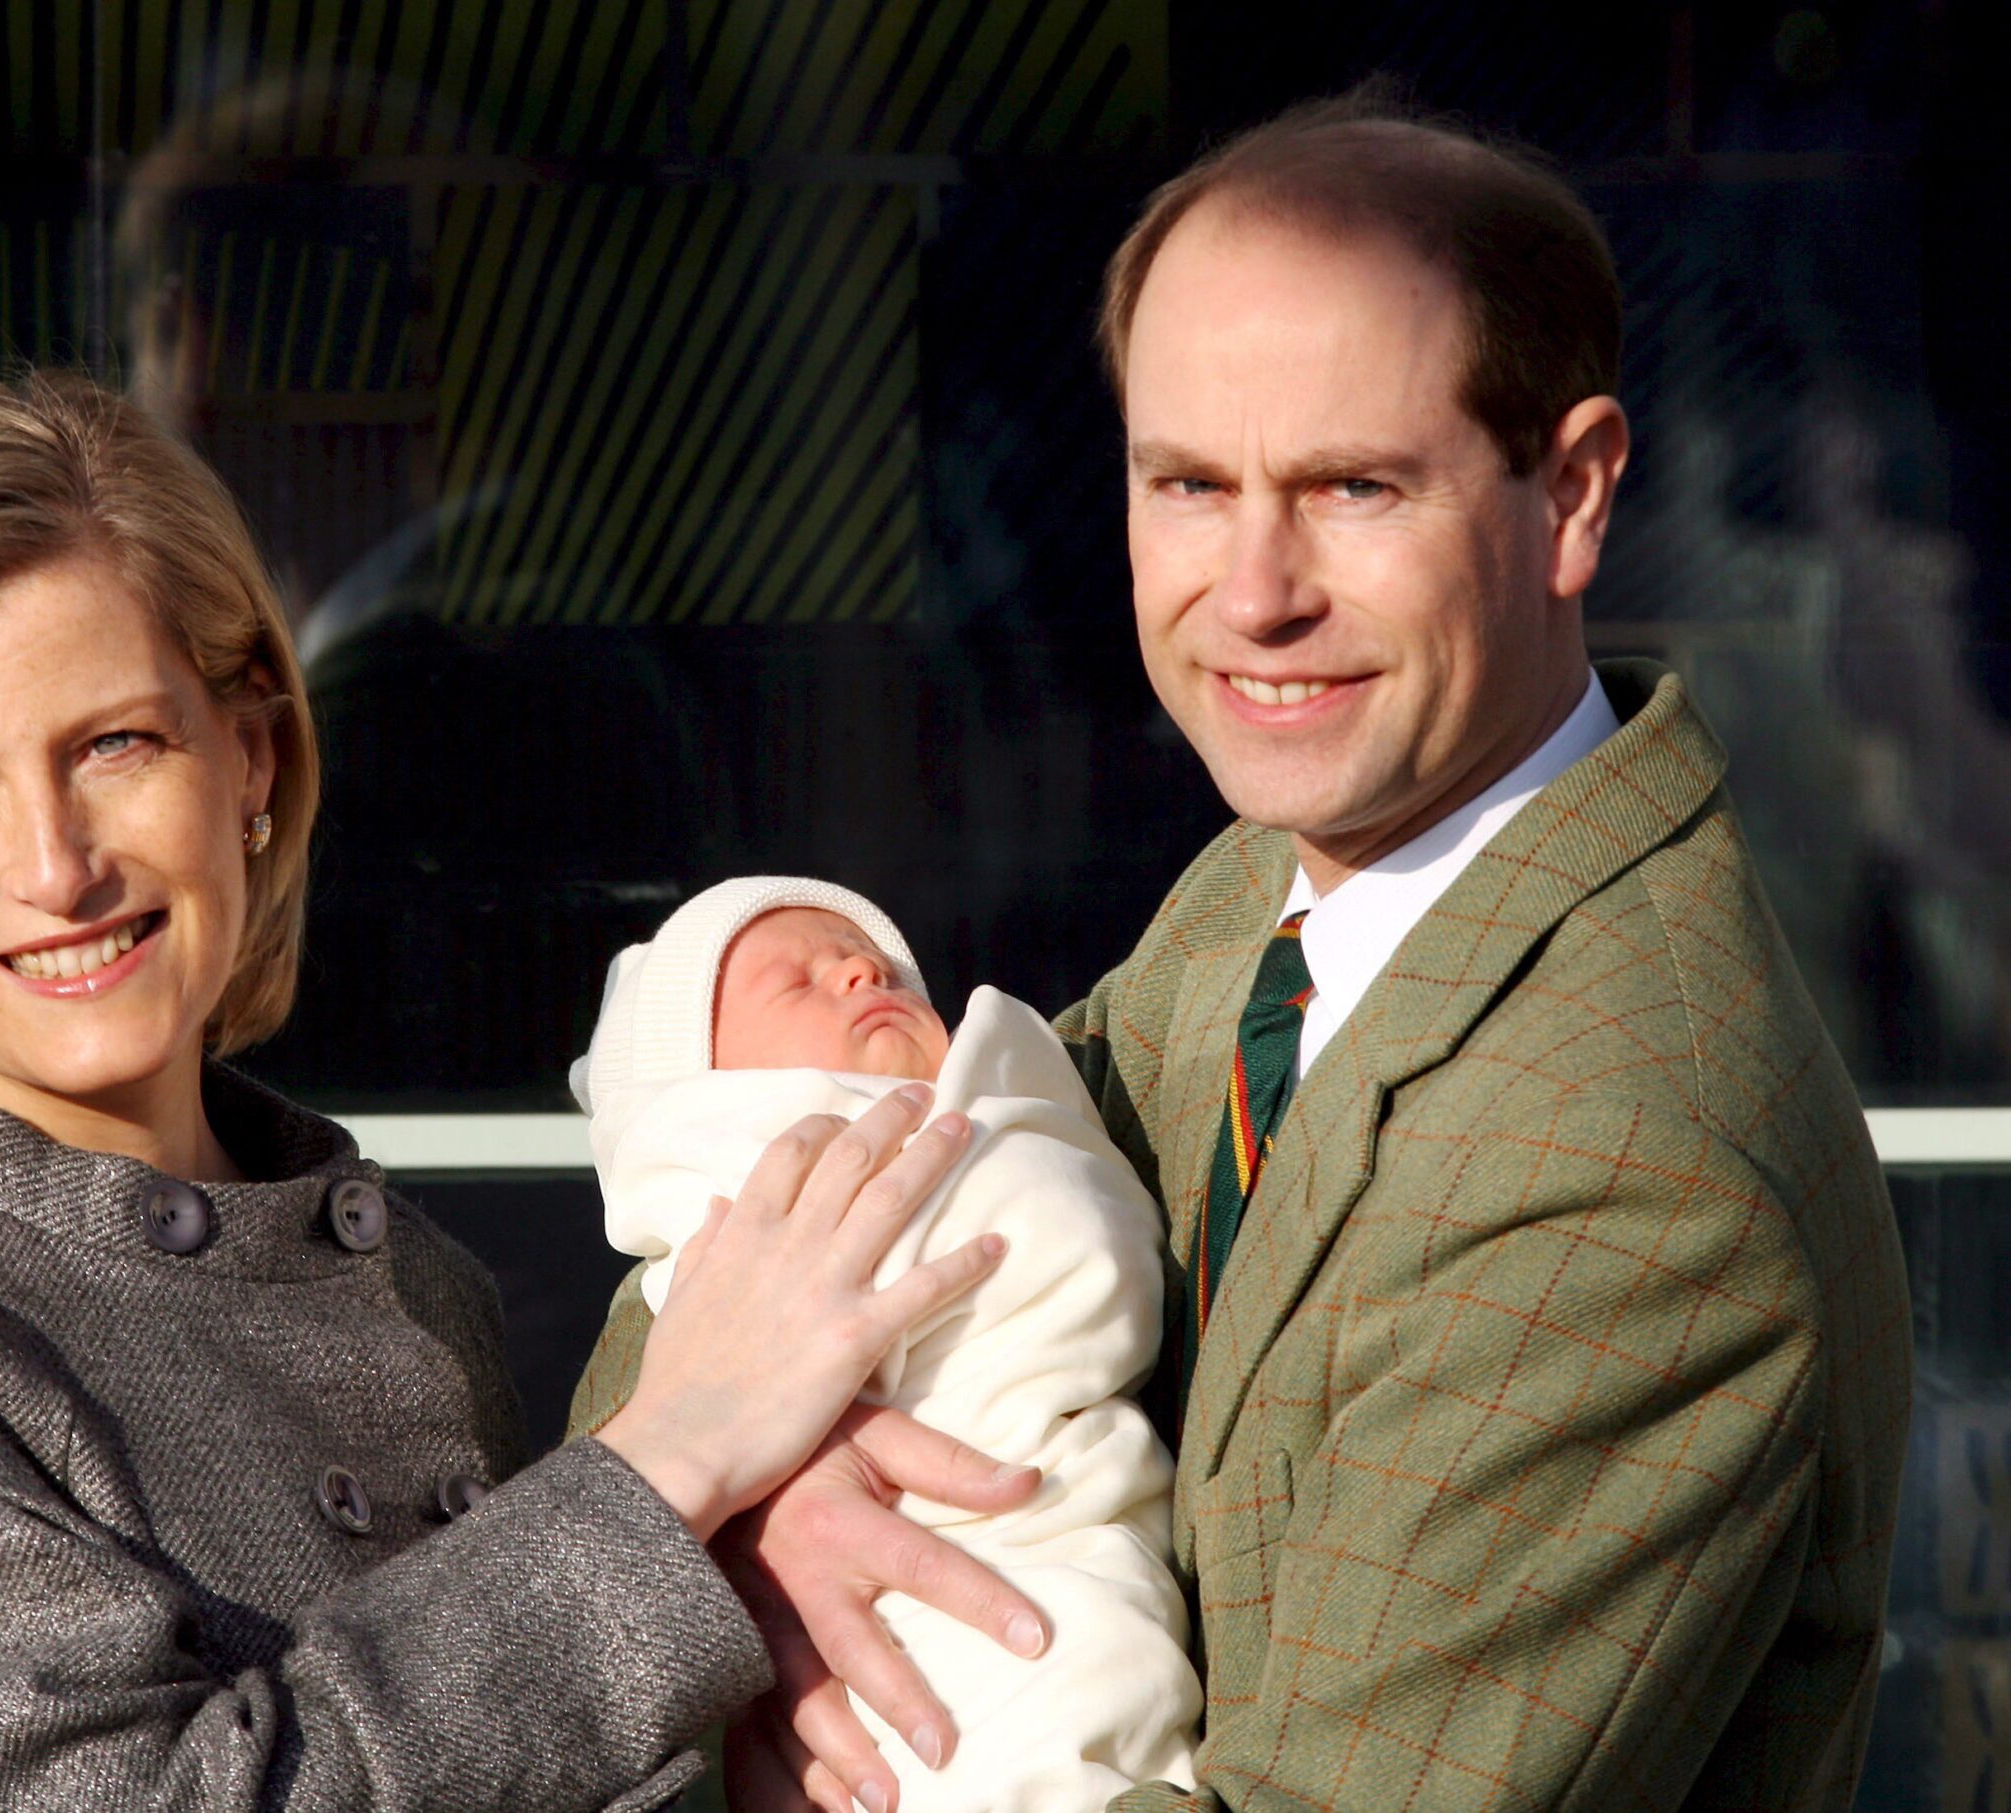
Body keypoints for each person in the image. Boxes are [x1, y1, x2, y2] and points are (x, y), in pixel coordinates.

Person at [570, 92, 1914, 1813]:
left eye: (1356, 487)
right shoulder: (1270, 894)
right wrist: (770, 1495)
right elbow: (763, 1190)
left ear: (1572, 494)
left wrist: (714, 1516)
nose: (1255, 591)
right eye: (1189, 484)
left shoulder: (1626, 1170)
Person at [0, 371, 1021, 1811]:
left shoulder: (412, 1283)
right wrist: (670, 1469)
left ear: (252, 758)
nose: (56, 865)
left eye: (114, 745)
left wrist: (758, 1564)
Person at [573, 877, 1201, 1810]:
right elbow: (680, 1386)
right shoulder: (751, 1204)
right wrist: (728, 1499)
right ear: (706, 1093)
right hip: (933, 1640)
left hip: (1081, 1547)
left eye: (866, 959)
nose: (861, 967)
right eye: (799, 981)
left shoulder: (1056, 1095)